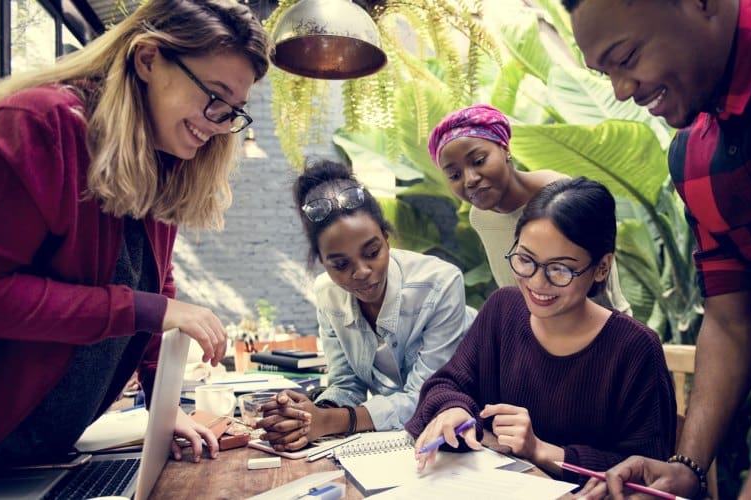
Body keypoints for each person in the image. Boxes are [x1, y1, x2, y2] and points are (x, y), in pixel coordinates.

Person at [561, 0, 751, 498]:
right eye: (605, 73)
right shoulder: (693, 156)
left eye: (626, 58)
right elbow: (730, 320)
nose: (622, 91)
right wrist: (686, 463)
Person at [0, 0, 271, 466]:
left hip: (40, 454)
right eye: (214, 97)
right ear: (147, 59)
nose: (220, 125)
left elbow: (154, 282)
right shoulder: (40, 124)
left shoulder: (161, 158)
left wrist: (164, 409)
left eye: (234, 111)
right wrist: (143, 309)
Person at [406, 177, 676, 480]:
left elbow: (648, 471)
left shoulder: (635, 348)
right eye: (525, 259)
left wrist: (542, 451)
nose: (536, 282)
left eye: (560, 268)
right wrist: (453, 409)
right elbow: (448, 384)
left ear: (601, 267)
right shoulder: (503, 309)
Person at [256, 160, 477, 452]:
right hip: (395, 443)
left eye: (372, 252)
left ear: (386, 239)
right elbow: (347, 383)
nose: (360, 272)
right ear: (322, 262)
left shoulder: (440, 283)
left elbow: (427, 397)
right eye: (340, 264)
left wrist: (331, 421)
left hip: (465, 430)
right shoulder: (327, 293)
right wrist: (306, 415)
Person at [429, 103, 632, 315]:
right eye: (454, 175)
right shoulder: (479, 217)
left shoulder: (563, 196)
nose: (470, 179)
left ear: (505, 148)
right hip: (539, 334)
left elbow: (604, 286)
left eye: (479, 161)